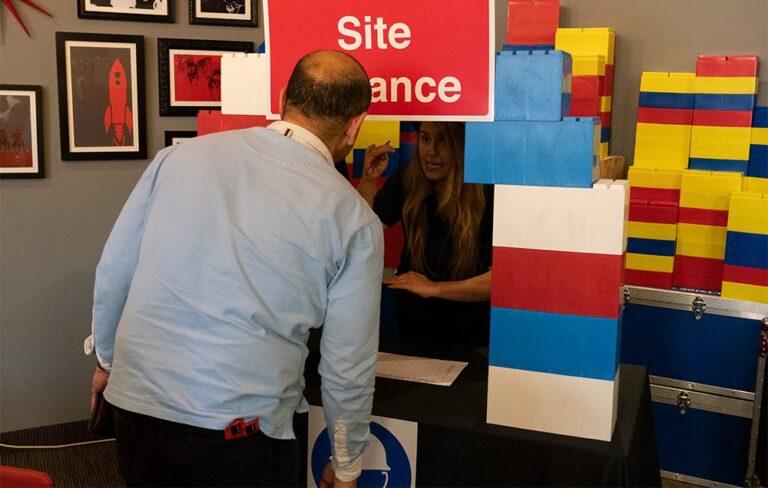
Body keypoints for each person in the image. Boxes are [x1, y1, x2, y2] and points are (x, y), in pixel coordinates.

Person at [86, 50, 384, 488]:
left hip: (138, 405)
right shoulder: (354, 219)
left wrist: (107, 362)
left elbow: (114, 271)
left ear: (283, 97)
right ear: (356, 124)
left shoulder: (177, 159)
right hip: (238, 431)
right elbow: (347, 365)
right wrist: (346, 462)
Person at [356, 121, 493, 348]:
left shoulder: (487, 191)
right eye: (425, 138)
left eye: (443, 140)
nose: (431, 151)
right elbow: (360, 237)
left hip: (472, 328)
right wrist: (369, 181)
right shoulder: (406, 180)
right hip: (414, 320)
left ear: (463, 145)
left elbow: (497, 282)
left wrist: (433, 288)